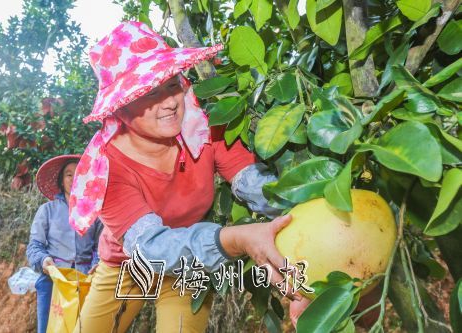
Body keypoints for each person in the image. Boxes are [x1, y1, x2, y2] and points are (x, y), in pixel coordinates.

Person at [69, 21, 309, 333]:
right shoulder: (106, 170)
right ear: (122, 110)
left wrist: (310, 212)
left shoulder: (205, 128)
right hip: (126, 265)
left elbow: (259, 187)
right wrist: (236, 239)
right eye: (149, 93)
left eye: (171, 85)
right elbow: (150, 248)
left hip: (191, 261)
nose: (169, 102)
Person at [26, 155, 103, 333]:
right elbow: (34, 246)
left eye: (78, 173)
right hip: (53, 279)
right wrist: (44, 260)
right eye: (69, 174)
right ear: (61, 181)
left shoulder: (95, 214)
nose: (73, 178)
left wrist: (96, 264)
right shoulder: (47, 210)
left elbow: (101, 246)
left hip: (85, 281)